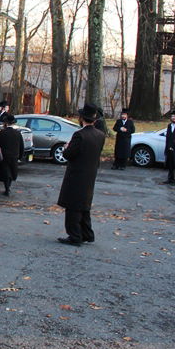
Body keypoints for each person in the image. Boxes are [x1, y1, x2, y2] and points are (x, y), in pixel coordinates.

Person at [57, 103, 106, 246]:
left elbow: (69, 154)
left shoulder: (80, 135)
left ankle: (75, 235)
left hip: (77, 174)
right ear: (94, 120)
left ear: (81, 118)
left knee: (73, 206)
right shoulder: (100, 135)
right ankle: (87, 233)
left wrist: (66, 147)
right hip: (90, 173)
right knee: (84, 205)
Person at [0, 114, 23, 196]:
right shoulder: (18, 134)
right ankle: (8, 187)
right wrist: (20, 156)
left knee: (6, 172)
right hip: (14, 155)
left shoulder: (1, 133)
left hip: (4, 156)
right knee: (12, 172)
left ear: (6, 123)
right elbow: (21, 146)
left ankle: (7, 188)